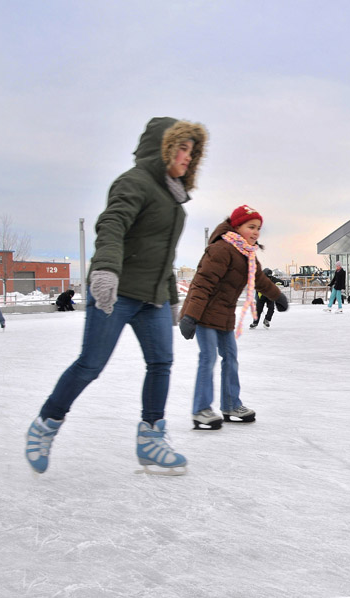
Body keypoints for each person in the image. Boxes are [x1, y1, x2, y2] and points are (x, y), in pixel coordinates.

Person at [25, 116, 207, 476]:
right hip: (117, 290)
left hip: (151, 298)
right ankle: (46, 424)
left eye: (192, 151)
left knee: (161, 363)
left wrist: (171, 296)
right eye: (182, 148)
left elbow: (163, 256)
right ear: (165, 148)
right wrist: (105, 270)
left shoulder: (174, 202)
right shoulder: (134, 182)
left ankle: (151, 438)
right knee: (91, 364)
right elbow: (112, 224)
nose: (188, 156)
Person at [179, 205, 288, 430]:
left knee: (231, 358)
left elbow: (259, 280)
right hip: (203, 313)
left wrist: (277, 296)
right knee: (208, 357)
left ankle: (230, 405)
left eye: (258, 228)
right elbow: (202, 284)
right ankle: (200, 409)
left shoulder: (247, 254)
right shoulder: (221, 249)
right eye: (251, 227)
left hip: (224, 316)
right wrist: (190, 316)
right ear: (237, 227)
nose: (256, 232)